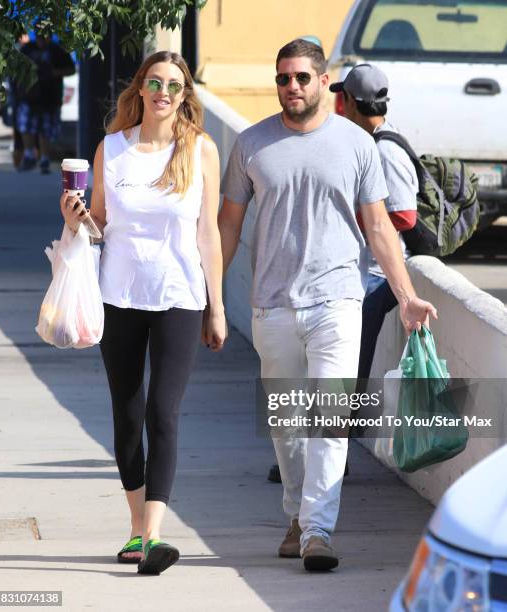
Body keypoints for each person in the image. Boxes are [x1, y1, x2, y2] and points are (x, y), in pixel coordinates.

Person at [218, 39, 436, 572]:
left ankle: (318, 530)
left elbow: (379, 226)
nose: (291, 87)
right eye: (282, 78)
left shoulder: (358, 146)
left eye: (300, 78)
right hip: (271, 306)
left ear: (323, 82)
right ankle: (298, 514)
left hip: (339, 301)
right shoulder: (251, 144)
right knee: (288, 425)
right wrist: (210, 300)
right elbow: (228, 224)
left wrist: (406, 295)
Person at [59, 50, 226, 575]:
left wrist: (216, 307)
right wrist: (76, 218)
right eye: (155, 82)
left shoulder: (200, 150)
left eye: (174, 85)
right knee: (128, 417)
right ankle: (135, 529)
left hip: (179, 296)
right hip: (120, 296)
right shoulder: (112, 149)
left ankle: (153, 536)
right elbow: (101, 226)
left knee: (163, 413)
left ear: (185, 95)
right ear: (140, 88)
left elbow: (209, 235)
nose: (163, 92)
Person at [330, 64, 418, 380]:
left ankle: (350, 429)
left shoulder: (384, 150)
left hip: (377, 278)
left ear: (351, 102)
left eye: (343, 100)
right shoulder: (370, 142)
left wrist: (353, 218)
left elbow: (405, 215)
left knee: (353, 365)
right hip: (367, 272)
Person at [17, 34, 75, 173]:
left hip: (50, 97)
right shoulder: (28, 49)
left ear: (49, 37)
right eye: (39, 37)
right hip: (29, 95)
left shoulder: (56, 50)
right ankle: (29, 156)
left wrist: (55, 73)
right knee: (27, 127)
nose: (42, 40)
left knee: (46, 130)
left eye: (44, 37)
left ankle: (44, 159)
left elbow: (71, 69)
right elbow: (16, 68)